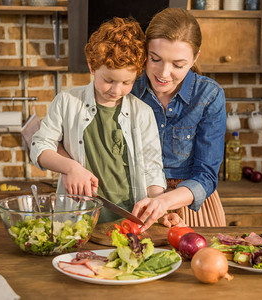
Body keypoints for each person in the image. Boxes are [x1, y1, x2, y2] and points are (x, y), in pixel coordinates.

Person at [30, 17, 166, 224]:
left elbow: (152, 169)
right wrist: (71, 168)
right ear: (92, 66)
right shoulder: (67, 102)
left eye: (126, 82)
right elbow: (40, 147)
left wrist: (157, 205)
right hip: (76, 219)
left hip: (130, 219)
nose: (116, 90)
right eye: (108, 80)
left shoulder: (143, 113)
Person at [130, 7, 227, 230]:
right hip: (137, 205)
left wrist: (165, 200)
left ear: (194, 59)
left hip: (190, 208)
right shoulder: (128, 88)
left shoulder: (209, 95)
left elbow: (206, 176)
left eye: (178, 65)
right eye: (155, 59)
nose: (164, 73)